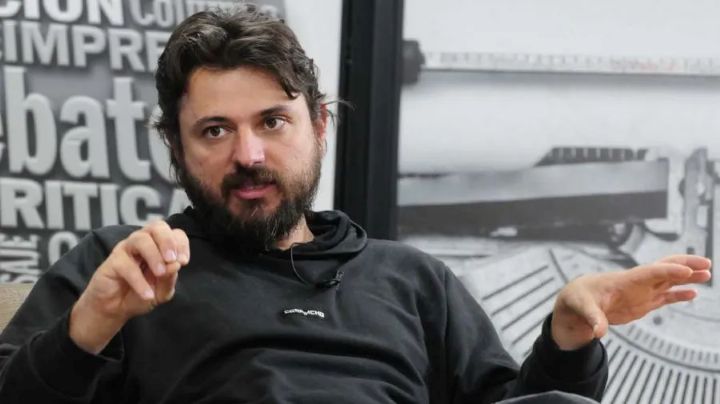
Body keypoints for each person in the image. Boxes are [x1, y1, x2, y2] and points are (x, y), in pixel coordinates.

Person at [0, 6, 712, 404]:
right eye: (214, 130)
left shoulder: (413, 280)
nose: (248, 154)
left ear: (319, 125)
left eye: (272, 122)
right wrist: (87, 329)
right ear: (175, 146)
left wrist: (568, 338)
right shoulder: (122, 269)